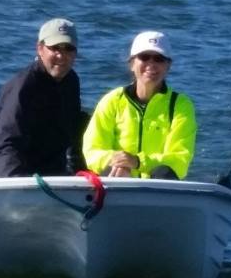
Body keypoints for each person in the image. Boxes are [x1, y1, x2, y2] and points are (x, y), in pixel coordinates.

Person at [83, 31, 196, 180]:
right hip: (119, 182)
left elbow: (180, 159)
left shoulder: (180, 106)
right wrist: (117, 161)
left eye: (159, 59)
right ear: (132, 63)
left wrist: (138, 162)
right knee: (109, 169)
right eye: (144, 57)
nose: (151, 64)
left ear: (168, 65)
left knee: (164, 171)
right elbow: (92, 151)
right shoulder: (112, 100)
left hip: (158, 188)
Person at [0, 18, 85, 177]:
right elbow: (7, 145)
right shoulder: (23, 88)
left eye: (68, 48)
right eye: (54, 48)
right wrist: (16, 187)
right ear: (40, 48)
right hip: (10, 177)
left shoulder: (71, 81)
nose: (61, 55)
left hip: (54, 176)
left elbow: (73, 133)